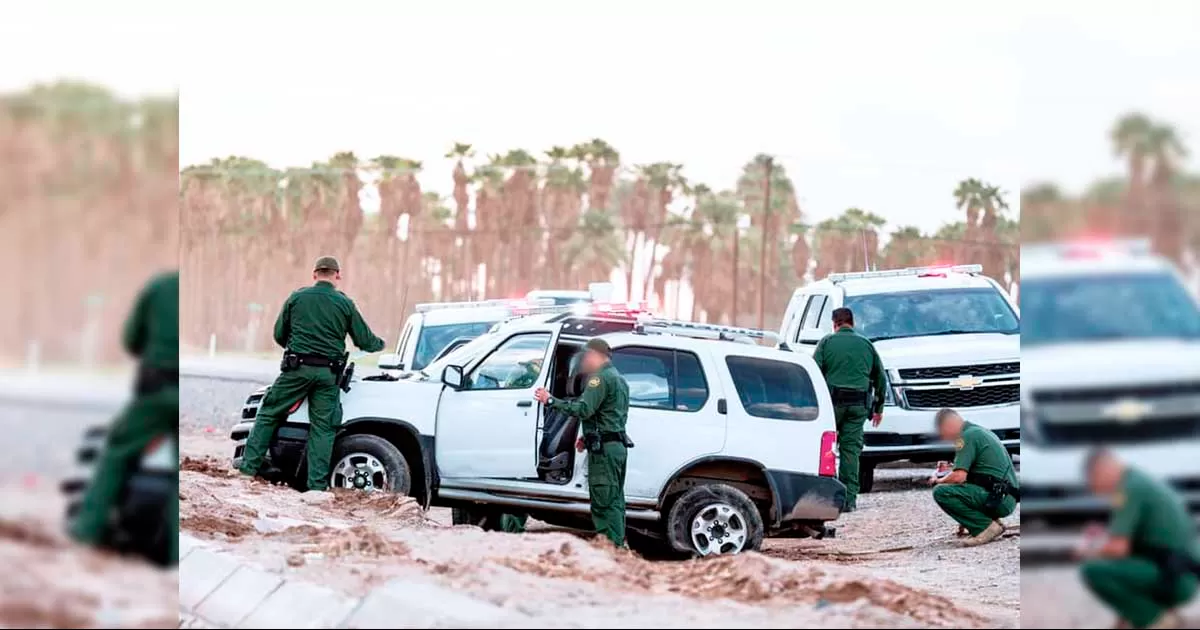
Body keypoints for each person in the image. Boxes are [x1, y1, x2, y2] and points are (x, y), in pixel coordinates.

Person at [239, 256, 385, 492]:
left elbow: (279, 334)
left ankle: (247, 471)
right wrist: (381, 344)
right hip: (328, 375)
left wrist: (298, 347)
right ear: (337, 276)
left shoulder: (297, 298)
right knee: (324, 428)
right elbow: (365, 341)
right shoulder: (344, 303)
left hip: (296, 370)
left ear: (314, 274)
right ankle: (316, 487)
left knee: (268, 412)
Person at [71, 271, 180, 564]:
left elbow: (132, 340)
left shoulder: (160, 286)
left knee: (117, 449)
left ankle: (86, 533)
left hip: (157, 390)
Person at [1076, 449, 1198, 629]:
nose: (1096, 490)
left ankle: (1155, 619)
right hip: (1180, 572)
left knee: (1093, 571)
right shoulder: (1137, 481)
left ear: (1101, 470)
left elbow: (1119, 548)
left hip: (1175, 577)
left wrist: (1086, 550)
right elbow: (1139, 537)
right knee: (1117, 566)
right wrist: (1105, 534)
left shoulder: (1129, 489)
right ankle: (1140, 616)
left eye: (1093, 483)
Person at [534, 338, 630, 546]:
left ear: (597, 355)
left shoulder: (600, 379)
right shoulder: (619, 379)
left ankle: (611, 549)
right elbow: (610, 416)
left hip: (604, 452)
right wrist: (587, 438)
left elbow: (584, 409)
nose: (585, 360)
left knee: (603, 503)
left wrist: (550, 400)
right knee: (615, 501)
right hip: (615, 447)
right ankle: (618, 546)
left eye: (587, 355)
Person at [812, 306, 886, 511]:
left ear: (834, 324)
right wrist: (879, 408)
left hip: (831, 406)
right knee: (850, 452)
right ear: (852, 323)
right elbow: (880, 377)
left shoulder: (827, 342)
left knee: (824, 448)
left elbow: (814, 371)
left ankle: (822, 496)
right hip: (858, 407)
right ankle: (849, 500)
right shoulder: (866, 344)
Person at [930, 408, 1018, 546]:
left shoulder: (965, 437)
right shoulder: (979, 432)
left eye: (943, 433)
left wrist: (938, 480)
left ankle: (985, 527)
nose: (944, 438)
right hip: (1004, 497)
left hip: (998, 499)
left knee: (940, 491)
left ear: (947, 425)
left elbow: (959, 477)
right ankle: (988, 522)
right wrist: (966, 519)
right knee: (954, 487)